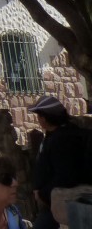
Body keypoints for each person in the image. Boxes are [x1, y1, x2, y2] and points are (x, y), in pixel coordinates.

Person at [29, 95, 88, 229]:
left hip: (63, 202)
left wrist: (42, 193)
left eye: (39, 117)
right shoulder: (57, 135)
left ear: (44, 118)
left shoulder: (63, 140)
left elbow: (66, 175)